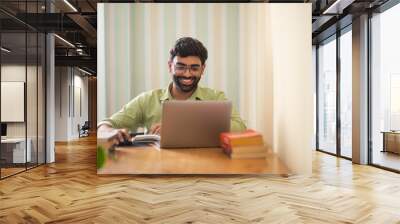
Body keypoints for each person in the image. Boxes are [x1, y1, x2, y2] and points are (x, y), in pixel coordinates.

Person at [97, 37, 246, 143]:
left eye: (194, 68)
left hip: (206, 170)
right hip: (159, 173)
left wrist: (180, 127)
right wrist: (110, 132)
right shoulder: (148, 99)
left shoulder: (216, 97)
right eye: (181, 67)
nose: (187, 74)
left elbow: (240, 128)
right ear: (170, 66)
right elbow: (104, 126)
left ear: (203, 69)